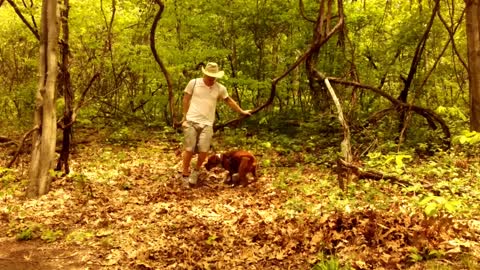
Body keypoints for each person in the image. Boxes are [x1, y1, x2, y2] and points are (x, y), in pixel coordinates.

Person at [181, 62, 251, 186]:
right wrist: (184, 117)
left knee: (204, 150)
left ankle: (196, 170)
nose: (212, 78)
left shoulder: (220, 88)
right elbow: (186, 98)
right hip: (191, 120)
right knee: (189, 149)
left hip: (207, 123)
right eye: (209, 75)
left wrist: (241, 111)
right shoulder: (194, 83)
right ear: (204, 73)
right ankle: (185, 174)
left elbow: (228, 100)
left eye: (214, 76)